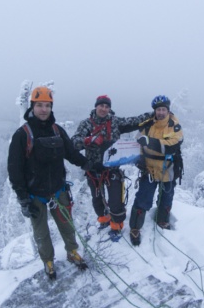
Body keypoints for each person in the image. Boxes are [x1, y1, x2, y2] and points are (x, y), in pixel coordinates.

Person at [7, 86, 89, 280]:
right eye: (39, 105)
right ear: (32, 107)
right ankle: (48, 260)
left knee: (67, 225)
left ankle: (72, 251)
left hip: (58, 190)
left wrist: (88, 164)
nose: (44, 109)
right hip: (35, 195)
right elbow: (14, 169)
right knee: (41, 232)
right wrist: (23, 198)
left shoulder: (57, 130)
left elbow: (71, 153)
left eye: (47, 105)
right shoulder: (23, 135)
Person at [71, 95, 151, 239]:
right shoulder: (86, 124)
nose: (104, 109)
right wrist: (89, 140)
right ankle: (104, 220)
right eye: (101, 106)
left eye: (107, 106)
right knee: (97, 199)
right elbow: (74, 142)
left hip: (112, 169)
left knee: (115, 199)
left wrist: (152, 114)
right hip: (93, 168)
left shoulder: (115, 122)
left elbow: (134, 121)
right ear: (96, 106)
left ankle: (116, 226)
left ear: (109, 108)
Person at [129, 95, 184, 246]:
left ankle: (162, 220)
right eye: (158, 110)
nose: (160, 112)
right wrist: (139, 158)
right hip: (149, 169)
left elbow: (174, 144)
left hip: (168, 168)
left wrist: (150, 142)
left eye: (163, 109)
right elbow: (138, 142)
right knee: (143, 197)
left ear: (168, 110)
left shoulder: (174, 125)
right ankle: (135, 227)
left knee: (166, 197)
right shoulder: (147, 125)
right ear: (155, 110)